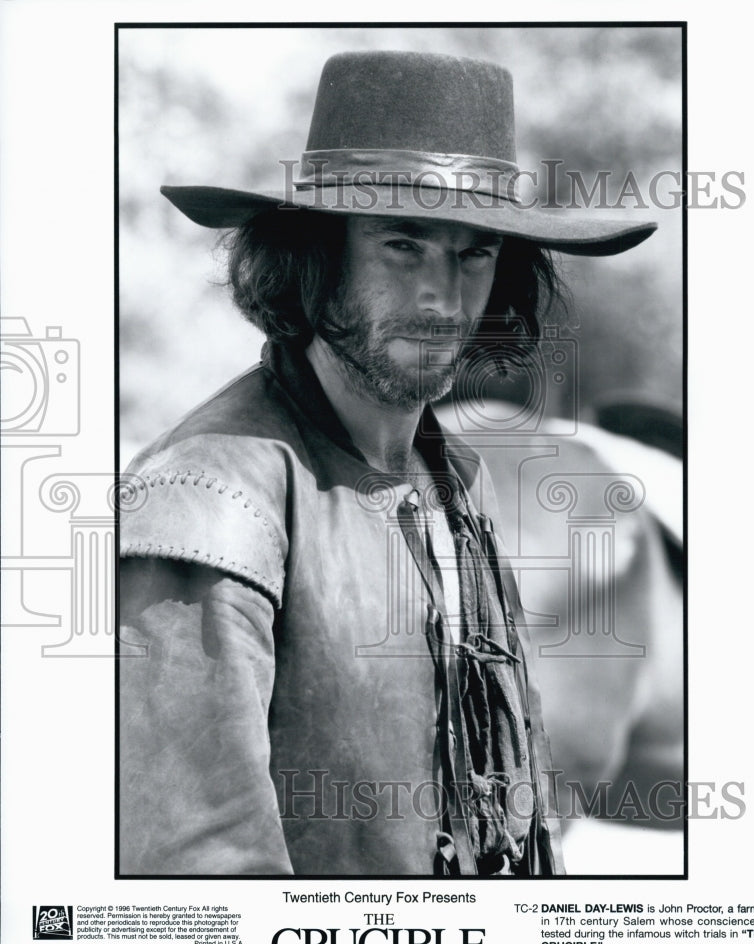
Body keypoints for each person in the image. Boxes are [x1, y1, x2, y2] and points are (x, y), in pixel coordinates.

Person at [119, 50, 656, 877]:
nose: (443, 298)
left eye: (473, 254)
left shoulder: (452, 481)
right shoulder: (212, 505)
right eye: (402, 244)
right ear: (314, 258)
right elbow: (203, 879)